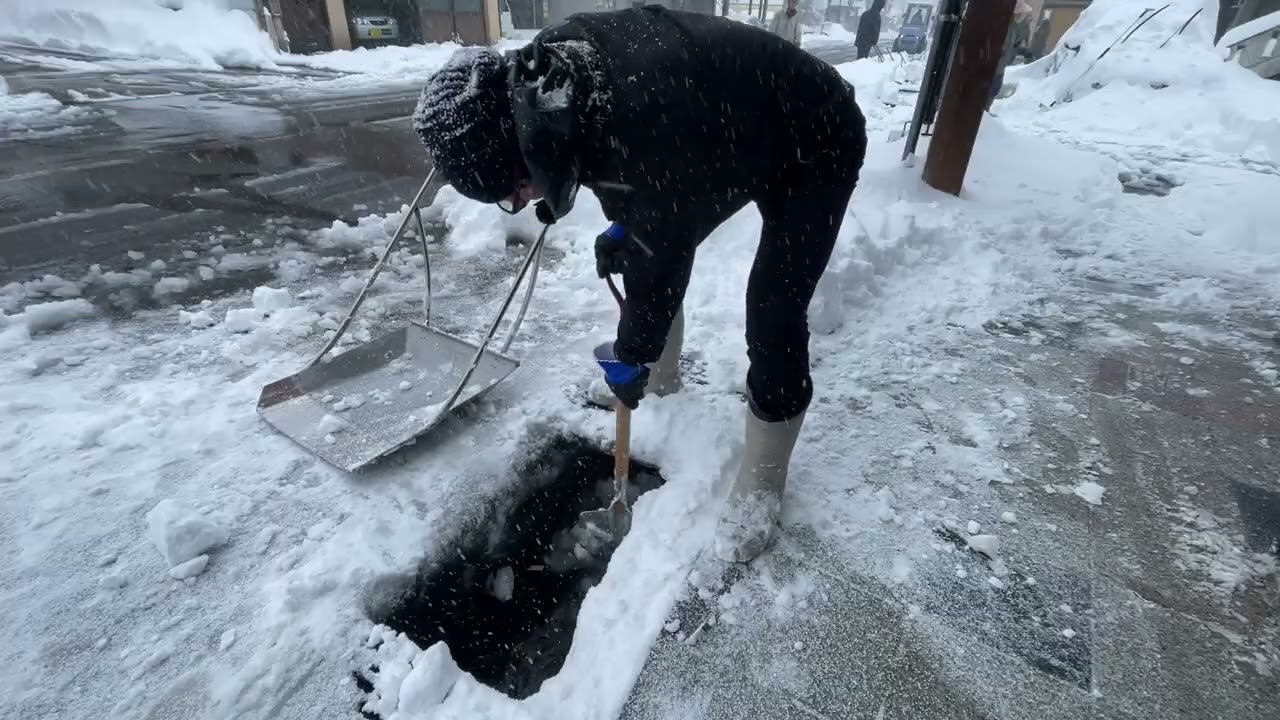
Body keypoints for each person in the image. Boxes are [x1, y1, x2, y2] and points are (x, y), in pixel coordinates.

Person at [413, 6, 867, 564]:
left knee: (774, 307)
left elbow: (662, 252)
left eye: (513, 190)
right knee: (643, 244)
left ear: (518, 154)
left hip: (815, 136)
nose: (523, 202)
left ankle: (763, 483)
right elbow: (628, 176)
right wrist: (628, 224)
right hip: (726, 128)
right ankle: (659, 383)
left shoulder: (642, 120)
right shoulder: (557, 79)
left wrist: (633, 350)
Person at [989, 1, 1035, 111]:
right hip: (993, 64)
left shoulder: (1014, 27)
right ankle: (983, 114)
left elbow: (1016, 43)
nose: (1022, 16)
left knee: (994, 90)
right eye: (1020, 14)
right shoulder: (1001, 24)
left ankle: (986, 112)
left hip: (1001, 65)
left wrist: (1025, 52)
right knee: (989, 90)